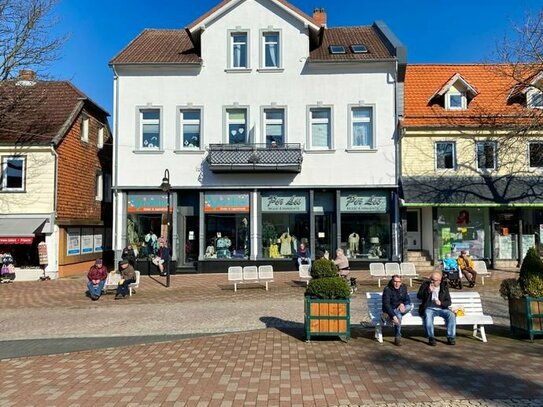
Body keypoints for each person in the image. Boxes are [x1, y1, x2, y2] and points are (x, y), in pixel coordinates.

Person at [417, 271, 456, 346]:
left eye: (434, 280)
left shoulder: (444, 286)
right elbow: (419, 296)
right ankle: (431, 337)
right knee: (428, 316)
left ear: (439, 281)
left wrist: (441, 303)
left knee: (451, 315)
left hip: (442, 308)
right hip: (429, 308)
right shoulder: (426, 285)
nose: (432, 281)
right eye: (431, 279)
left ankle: (451, 337)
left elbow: (449, 302)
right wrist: (428, 291)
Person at [382, 275, 412, 346]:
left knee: (409, 307)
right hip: (390, 308)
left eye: (399, 282)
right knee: (399, 317)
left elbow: (407, 300)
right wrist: (394, 316)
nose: (397, 283)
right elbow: (387, 305)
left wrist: (402, 303)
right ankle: (398, 336)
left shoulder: (403, 287)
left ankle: (392, 316)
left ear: (401, 282)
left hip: (399, 308)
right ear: (392, 281)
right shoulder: (387, 289)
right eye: (395, 281)